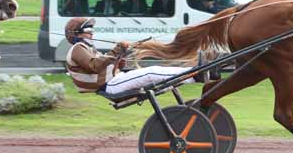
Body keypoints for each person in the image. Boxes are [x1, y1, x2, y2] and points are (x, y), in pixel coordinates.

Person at [64, 17, 197, 95]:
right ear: (77, 33)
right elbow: (95, 66)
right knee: (150, 72)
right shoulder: (77, 49)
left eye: (92, 30)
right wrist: (117, 50)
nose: (92, 33)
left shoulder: (87, 48)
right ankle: (193, 74)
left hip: (114, 80)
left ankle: (193, 73)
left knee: (155, 76)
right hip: (110, 85)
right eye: (88, 30)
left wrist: (119, 59)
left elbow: (101, 64)